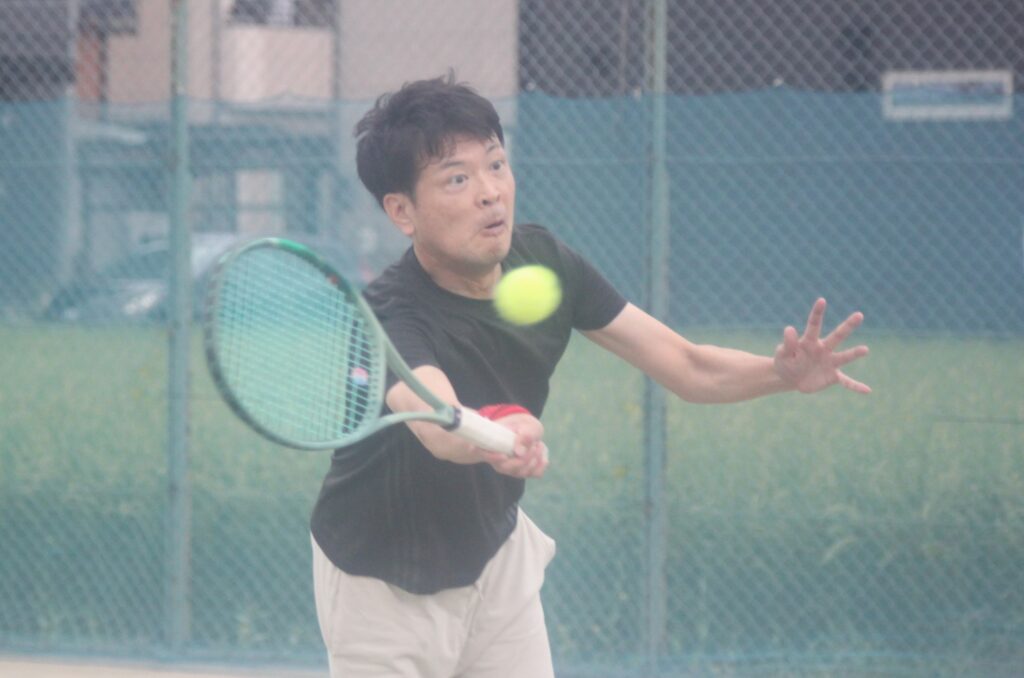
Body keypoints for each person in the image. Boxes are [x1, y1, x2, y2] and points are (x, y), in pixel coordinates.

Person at [309, 74, 870, 678]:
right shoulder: (389, 314)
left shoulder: (545, 261)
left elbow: (686, 365)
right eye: (457, 179)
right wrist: (503, 426)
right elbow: (438, 425)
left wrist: (780, 373)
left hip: (494, 560)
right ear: (402, 211)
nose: (490, 193)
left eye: (496, 165)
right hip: (381, 583)